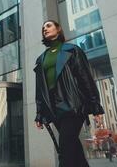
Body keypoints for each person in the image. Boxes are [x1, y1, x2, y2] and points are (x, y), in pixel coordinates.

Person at [34, 20, 104, 167]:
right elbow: (40, 89)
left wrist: (95, 105)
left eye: (48, 25)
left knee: (65, 148)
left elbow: (85, 77)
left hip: (73, 104)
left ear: (58, 29)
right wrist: (40, 112)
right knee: (73, 149)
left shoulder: (72, 50)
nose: (45, 29)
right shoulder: (41, 59)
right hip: (54, 109)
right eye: (43, 28)